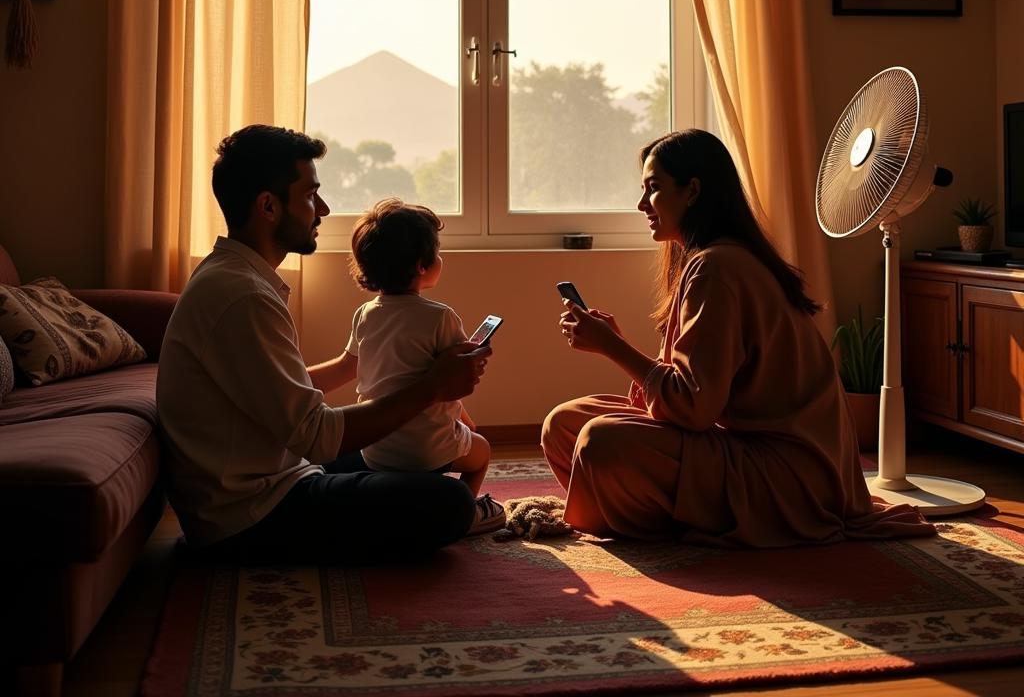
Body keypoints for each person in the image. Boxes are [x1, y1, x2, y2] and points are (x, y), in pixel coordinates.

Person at [543, 129, 935, 546]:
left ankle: (663, 519)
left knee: (600, 441)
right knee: (565, 424)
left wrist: (612, 347)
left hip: (786, 476)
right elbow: (686, 398)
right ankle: (642, 508)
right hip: (741, 446)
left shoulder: (718, 267)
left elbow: (693, 408)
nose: (642, 205)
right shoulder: (710, 259)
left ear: (692, 191)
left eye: (653, 189)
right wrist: (617, 342)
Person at [156, 125, 491, 564]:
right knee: (446, 502)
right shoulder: (243, 298)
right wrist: (431, 386)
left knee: (404, 452)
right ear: (269, 206)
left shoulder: (234, 277)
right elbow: (315, 435)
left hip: (271, 472)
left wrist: (359, 363)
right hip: (251, 514)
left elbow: (283, 391)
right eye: (311, 195)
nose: (324, 209)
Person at [344, 199, 505, 533]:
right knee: (482, 451)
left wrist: (462, 420)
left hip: (374, 447)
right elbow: (452, 383)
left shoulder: (366, 314)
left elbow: (385, 377)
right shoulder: (440, 317)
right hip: (427, 449)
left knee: (460, 434)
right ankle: (471, 513)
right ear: (422, 265)